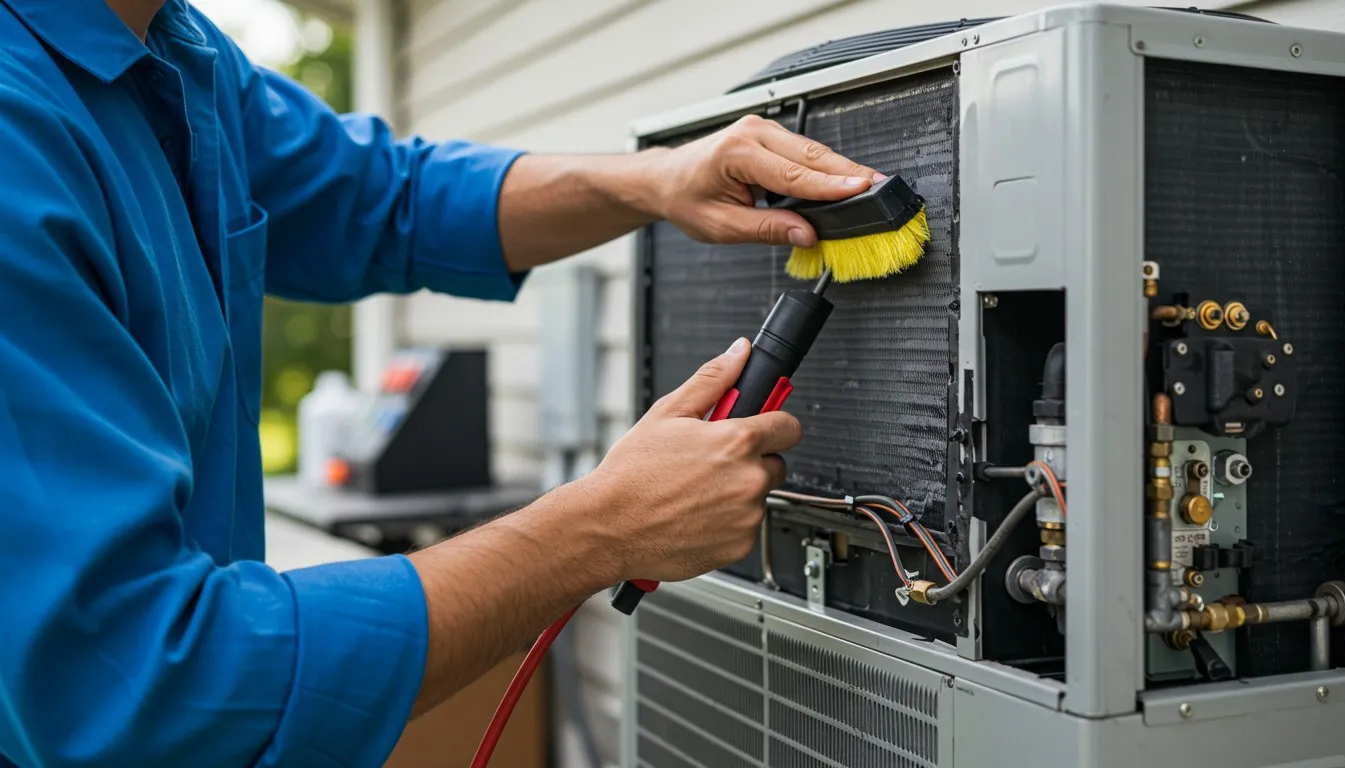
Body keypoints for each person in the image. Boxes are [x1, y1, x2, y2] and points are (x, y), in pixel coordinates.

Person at [0, 1, 884, 765]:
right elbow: (133, 687)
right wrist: (600, 528)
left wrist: (657, 179)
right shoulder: (19, 133)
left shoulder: (181, 56)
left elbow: (384, 194)